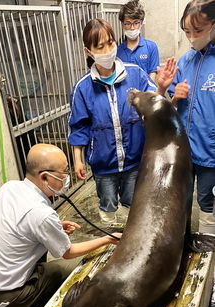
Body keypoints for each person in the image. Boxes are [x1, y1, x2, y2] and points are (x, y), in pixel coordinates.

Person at [0, 144, 121, 307]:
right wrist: (108, 239)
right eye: (64, 172)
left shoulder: (10, 188)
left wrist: (54, 226)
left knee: (43, 252)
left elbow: (21, 225)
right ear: (44, 176)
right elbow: (68, 252)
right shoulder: (40, 214)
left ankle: (26, 306)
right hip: (4, 295)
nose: (67, 177)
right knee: (78, 265)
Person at [68, 18, 177, 224]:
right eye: (100, 46)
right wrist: (77, 159)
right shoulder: (82, 88)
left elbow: (152, 102)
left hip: (134, 160)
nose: (108, 49)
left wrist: (161, 87)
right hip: (103, 164)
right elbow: (79, 126)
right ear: (88, 52)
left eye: (110, 43)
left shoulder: (134, 73)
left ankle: (129, 236)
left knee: (133, 202)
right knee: (108, 204)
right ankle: (110, 237)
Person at [168, 1, 215, 235]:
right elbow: (169, 105)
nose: (191, 37)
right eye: (187, 31)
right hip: (185, 150)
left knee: (208, 202)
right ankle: (182, 244)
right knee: (182, 198)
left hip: (211, 153)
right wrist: (175, 96)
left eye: (198, 30)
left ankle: (209, 251)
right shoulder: (186, 60)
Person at [117, 0, 159, 81]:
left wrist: (146, 92)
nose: (132, 28)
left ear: (141, 23)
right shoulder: (117, 51)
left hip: (145, 92)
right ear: (122, 24)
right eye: (128, 23)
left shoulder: (151, 47)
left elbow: (153, 73)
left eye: (136, 23)